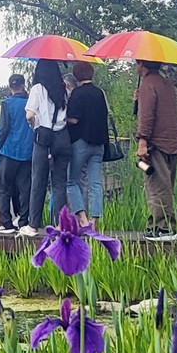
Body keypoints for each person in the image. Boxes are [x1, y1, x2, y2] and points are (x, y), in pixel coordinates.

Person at [134, 60, 177, 241]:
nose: (135, 66)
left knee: (157, 187)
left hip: (156, 144)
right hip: (172, 142)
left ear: (142, 64)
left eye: (136, 63)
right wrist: (138, 101)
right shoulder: (166, 84)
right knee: (166, 186)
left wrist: (142, 141)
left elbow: (147, 116)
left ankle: (162, 228)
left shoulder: (148, 84)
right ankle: (163, 225)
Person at [22, 61, 70, 237]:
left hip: (44, 138)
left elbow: (29, 114)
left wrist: (33, 124)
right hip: (63, 138)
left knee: (38, 181)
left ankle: (33, 225)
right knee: (60, 184)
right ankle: (60, 225)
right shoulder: (64, 89)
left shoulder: (38, 89)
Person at [64, 61, 108, 229]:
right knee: (95, 184)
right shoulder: (100, 93)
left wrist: (64, 118)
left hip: (80, 143)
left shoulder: (77, 93)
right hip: (99, 144)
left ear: (76, 76)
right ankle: (94, 221)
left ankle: (82, 218)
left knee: (72, 182)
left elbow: (74, 119)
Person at [0, 74, 31, 233]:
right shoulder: (30, 103)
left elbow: (4, 128)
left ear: (10, 87)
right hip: (27, 151)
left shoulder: (6, 104)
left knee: (4, 188)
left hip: (8, 151)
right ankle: (23, 221)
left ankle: (6, 223)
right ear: (23, 85)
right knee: (25, 189)